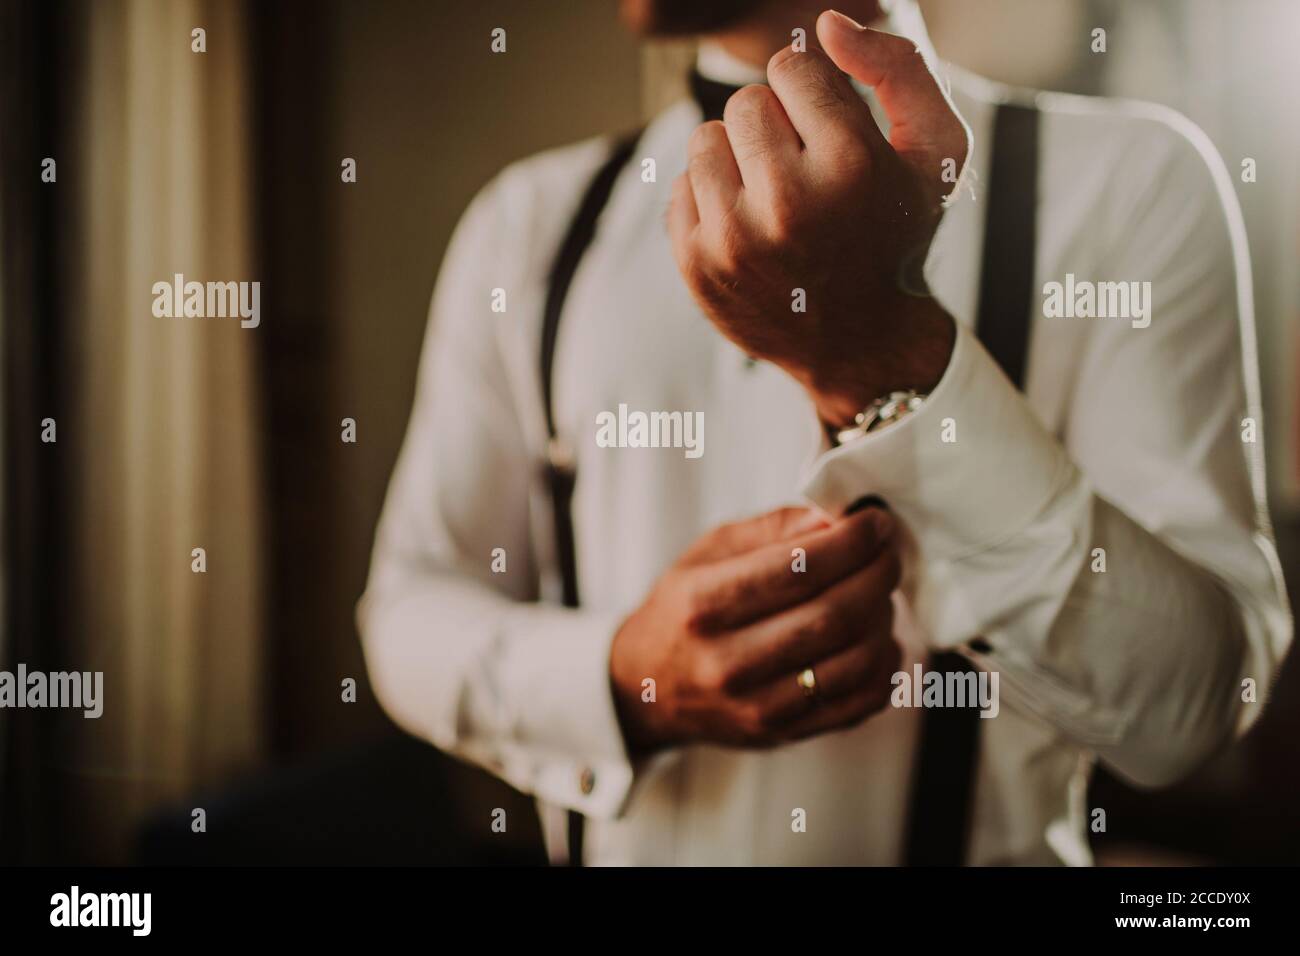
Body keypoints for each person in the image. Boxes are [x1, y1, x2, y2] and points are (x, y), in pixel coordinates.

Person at [356, 0, 1291, 865]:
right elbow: (406, 613)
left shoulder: (1131, 189)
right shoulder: (527, 225)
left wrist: (882, 357)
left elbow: (1198, 710)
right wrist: (623, 678)